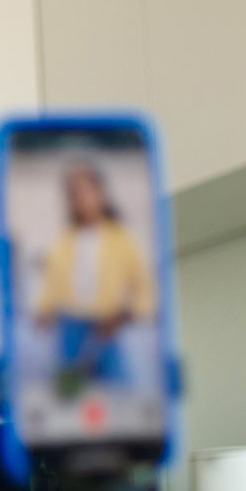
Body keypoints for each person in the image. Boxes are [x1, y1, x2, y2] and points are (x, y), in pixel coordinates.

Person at [30, 160, 154, 389]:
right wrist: (44, 312)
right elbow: (52, 284)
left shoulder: (122, 239)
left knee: (119, 388)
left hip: (107, 326)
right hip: (70, 326)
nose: (80, 199)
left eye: (85, 191)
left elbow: (143, 287)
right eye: (73, 194)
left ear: (101, 193)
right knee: (70, 393)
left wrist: (127, 314)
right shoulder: (64, 241)